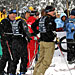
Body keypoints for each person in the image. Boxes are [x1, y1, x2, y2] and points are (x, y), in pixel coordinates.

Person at [0, 9, 30, 75]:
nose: (14, 16)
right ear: (9, 14)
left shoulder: (16, 22)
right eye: (12, 14)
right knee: (6, 56)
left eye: (15, 14)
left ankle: (10, 71)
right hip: (6, 41)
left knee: (13, 58)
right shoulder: (4, 21)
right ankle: (1, 69)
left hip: (14, 41)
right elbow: (1, 30)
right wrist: (3, 35)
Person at [31, 6, 56, 75]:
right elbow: (49, 30)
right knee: (46, 62)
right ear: (48, 12)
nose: (54, 12)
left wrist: (38, 33)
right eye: (52, 11)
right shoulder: (49, 19)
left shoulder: (41, 18)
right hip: (48, 43)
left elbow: (33, 26)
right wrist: (53, 37)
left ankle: (35, 73)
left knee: (40, 60)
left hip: (42, 42)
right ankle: (39, 74)